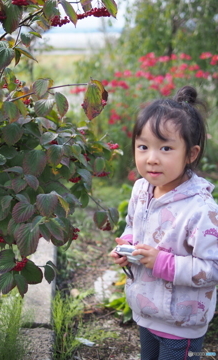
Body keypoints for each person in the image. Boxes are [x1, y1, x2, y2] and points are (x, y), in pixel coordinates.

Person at [110, 85, 218, 360]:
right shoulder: (141, 190)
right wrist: (129, 247)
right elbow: (135, 227)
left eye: (166, 148)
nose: (151, 158)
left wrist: (161, 262)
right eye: (143, 147)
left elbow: (212, 268)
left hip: (182, 321)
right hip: (147, 310)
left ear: (191, 154)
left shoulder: (201, 210)